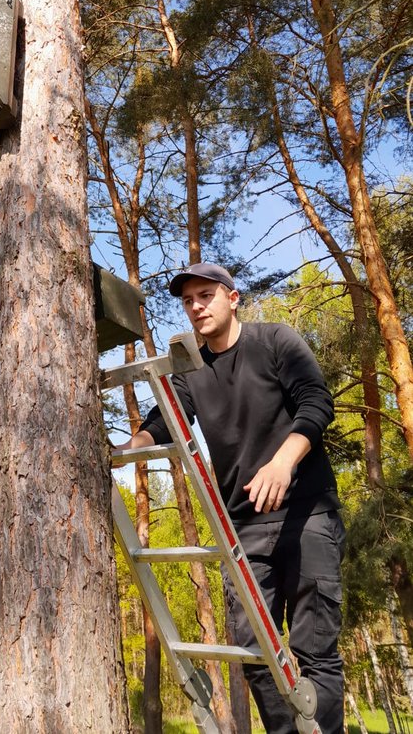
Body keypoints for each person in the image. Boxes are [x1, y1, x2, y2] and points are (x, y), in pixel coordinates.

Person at [118, 262, 345, 734]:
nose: (197, 306)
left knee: (315, 651)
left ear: (232, 297)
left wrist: (283, 462)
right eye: (188, 301)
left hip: (307, 515)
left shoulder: (276, 340)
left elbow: (316, 402)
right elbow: (166, 422)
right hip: (242, 527)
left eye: (206, 295)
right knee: (254, 655)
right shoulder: (192, 371)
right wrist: (123, 451)